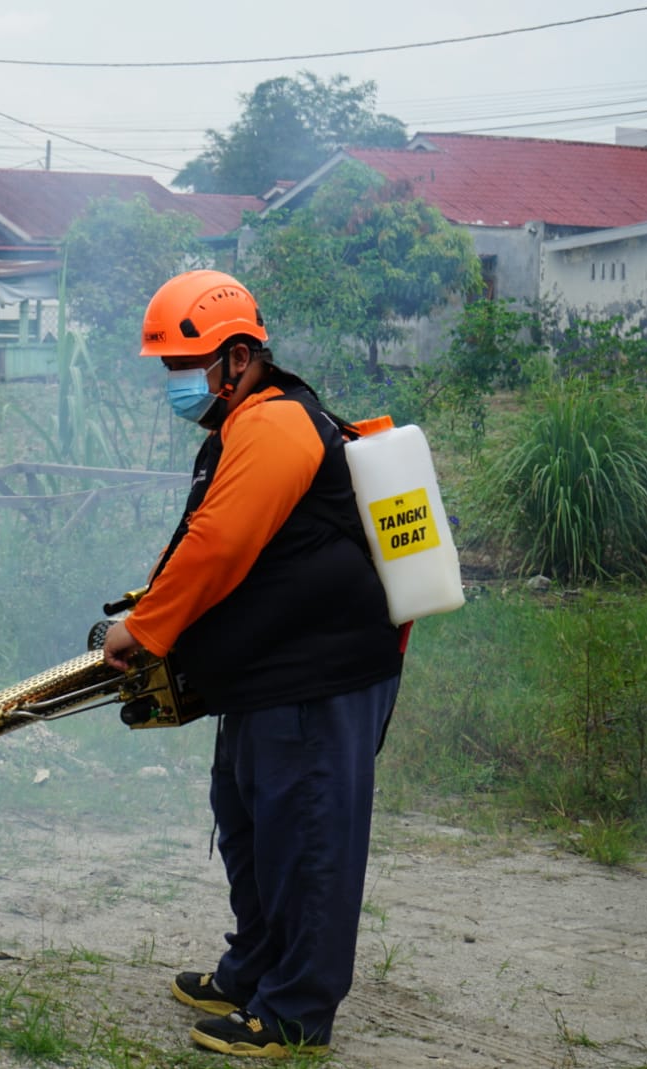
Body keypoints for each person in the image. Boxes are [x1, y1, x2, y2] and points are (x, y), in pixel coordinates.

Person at [101, 270, 404, 1059]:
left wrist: (149, 628)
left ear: (237, 358)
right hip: (272, 672)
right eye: (167, 367)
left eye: (184, 365)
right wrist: (150, 616)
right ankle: (255, 970)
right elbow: (206, 544)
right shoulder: (236, 429)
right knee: (248, 819)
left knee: (304, 836)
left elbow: (221, 544)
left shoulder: (273, 427)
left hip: (320, 673)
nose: (174, 383)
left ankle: (296, 1013)